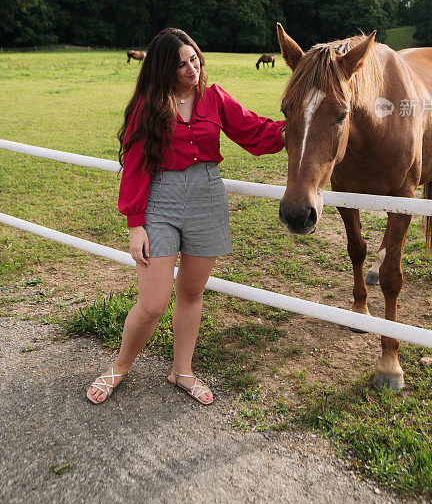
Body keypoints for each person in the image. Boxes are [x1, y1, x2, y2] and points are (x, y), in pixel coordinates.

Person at [86, 28, 285, 406]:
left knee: (192, 293)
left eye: (193, 58)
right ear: (164, 69)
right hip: (160, 202)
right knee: (153, 303)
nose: (192, 68)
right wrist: (136, 224)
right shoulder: (151, 105)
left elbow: (253, 131)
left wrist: (294, 130)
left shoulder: (214, 98)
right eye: (181, 64)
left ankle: (182, 371)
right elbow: (135, 164)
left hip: (207, 199)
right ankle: (119, 367)